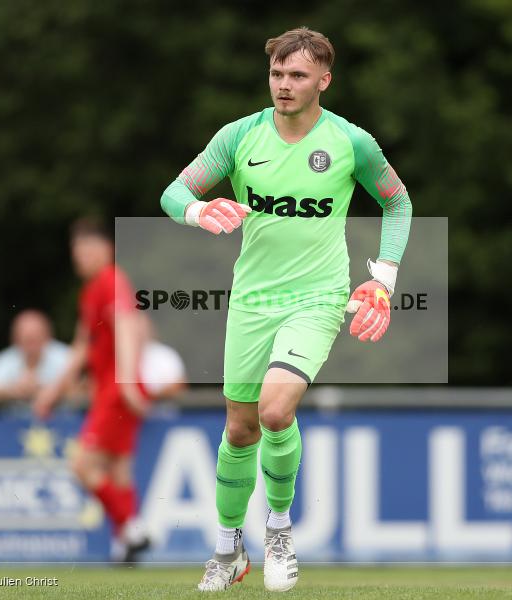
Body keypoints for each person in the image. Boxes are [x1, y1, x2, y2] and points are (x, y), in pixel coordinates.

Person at [160, 27, 412, 592]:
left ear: (324, 80)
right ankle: (228, 550)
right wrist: (198, 212)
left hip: (318, 297)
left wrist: (384, 279)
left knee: (275, 412)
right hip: (251, 299)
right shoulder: (239, 136)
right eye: (277, 73)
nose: (284, 85)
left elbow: (398, 201)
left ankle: (279, 530)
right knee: (240, 428)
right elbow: (174, 192)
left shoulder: (351, 142)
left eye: (297, 75)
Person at [33, 217, 186, 564]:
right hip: (113, 389)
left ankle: (133, 529)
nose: (81, 256)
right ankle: (126, 545)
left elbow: (127, 328)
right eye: (77, 250)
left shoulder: (111, 280)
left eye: (88, 248)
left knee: (81, 465)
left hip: (117, 391)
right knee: (118, 470)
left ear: (107, 248)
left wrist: (129, 381)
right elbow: (82, 347)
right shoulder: (93, 290)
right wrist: (53, 391)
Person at [0, 309, 71, 403]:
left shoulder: (65, 356)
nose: (32, 345)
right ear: (16, 339)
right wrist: (12, 391)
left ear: (48, 336)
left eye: (36, 337)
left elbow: (81, 388)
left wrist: (49, 390)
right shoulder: (5, 359)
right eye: (27, 339)